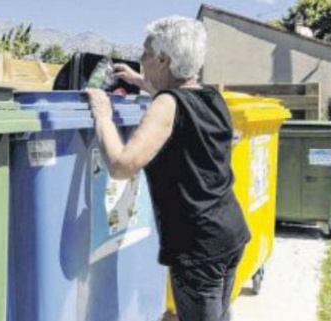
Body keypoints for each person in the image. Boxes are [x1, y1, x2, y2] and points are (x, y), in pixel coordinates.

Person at [86, 16, 251, 321]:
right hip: (230, 233)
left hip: (198, 246)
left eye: (145, 54)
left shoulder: (166, 104)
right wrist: (139, 80)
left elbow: (122, 165)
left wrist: (102, 117)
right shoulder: (212, 97)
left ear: (163, 59)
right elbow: (181, 102)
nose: (142, 60)